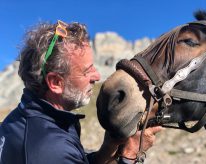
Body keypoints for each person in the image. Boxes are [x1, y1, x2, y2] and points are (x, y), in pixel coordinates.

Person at [0, 20, 162, 164]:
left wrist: (108, 147)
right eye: (87, 70)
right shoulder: (50, 150)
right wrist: (129, 155)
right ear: (56, 83)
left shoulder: (24, 120)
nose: (97, 76)